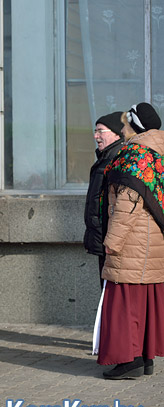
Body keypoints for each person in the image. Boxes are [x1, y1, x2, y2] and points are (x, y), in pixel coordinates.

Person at [95, 102, 164, 380]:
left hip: (134, 238)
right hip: (154, 237)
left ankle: (128, 358)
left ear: (135, 125)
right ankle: (146, 358)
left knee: (124, 302)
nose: (122, 128)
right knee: (145, 300)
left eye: (125, 123)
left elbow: (128, 202)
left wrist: (113, 240)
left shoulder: (136, 154)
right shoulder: (159, 151)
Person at [83, 112, 124, 281]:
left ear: (116, 134)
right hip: (103, 239)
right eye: (95, 130)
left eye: (100, 131)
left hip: (111, 243)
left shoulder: (117, 160)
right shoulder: (105, 158)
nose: (95, 136)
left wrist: (111, 240)